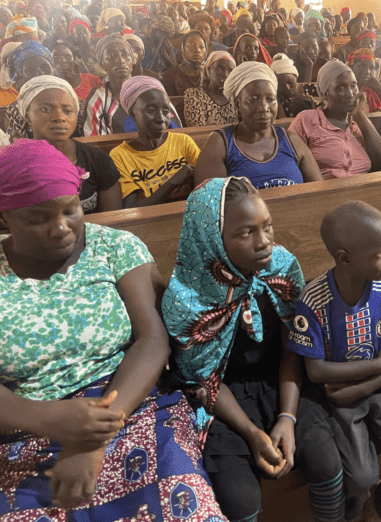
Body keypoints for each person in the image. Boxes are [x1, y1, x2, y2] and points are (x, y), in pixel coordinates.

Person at [0, 139, 228, 521]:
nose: (60, 228)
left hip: (129, 407)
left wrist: (93, 438)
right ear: (5, 217)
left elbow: (152, 340)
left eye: (70, 210)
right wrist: (51, 420)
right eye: (38, 218)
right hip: (24, 426)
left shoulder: (115, 246)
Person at [160, 176, 346, 522]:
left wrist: (287, 419)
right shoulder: (188, 299)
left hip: (282, 381)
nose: (264, 243)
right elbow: (204, 382)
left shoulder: (281, 265)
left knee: (325, 460)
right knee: (239, 498)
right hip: (221, 402)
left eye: (267, 227)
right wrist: (253, 433)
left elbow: (293, 346)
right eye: (246, 233)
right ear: (212, 238)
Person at [286, 200, 381, 522]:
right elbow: (316, 370)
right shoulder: (315, 300)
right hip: (340, 401)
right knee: (360, 478)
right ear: (345, 258)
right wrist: (376, 365)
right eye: (380, 253)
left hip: (378, 390)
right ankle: (356, 514)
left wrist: (372, 380)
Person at [195, 61, 321, 188]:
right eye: (253, 100)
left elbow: (320, 193)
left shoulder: (291, 141)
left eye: (270, 99)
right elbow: (210, 203)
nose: (264, 107)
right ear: (237, 104)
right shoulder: (220, 144)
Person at [18, 76, 122, 214]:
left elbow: (112, 221)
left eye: (67, 111)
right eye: (46, 109)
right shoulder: (14, 167)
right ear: (27, 115)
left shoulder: (98, 160)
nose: (59, 117)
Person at [289, 60, 381, 179]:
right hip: (325, 193)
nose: (350, 94)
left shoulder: (360, 122)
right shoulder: (306, 120)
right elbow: (292, 165)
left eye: (353, 86)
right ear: (325, 94)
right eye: (341, 88)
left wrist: (359, 115)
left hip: (363, 191)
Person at [109, 77, 198, 207]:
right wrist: (174, 181)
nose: (161, 119)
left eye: (165, 111)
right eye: (151, 111)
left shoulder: (183, 142)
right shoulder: (121, 156)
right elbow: (132, 207)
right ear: (133, 114)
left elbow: (207, 183)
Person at [83, 35, 182, 136]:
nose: (120, 60)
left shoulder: (151, 89)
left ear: (133, 60)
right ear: (102, 64)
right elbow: (97, 142)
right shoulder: (98, 98)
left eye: (125, 55)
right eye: (111, 56)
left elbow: (177, 131)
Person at [4, 41, 54, 141]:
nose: (39, 72)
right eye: (30, 70)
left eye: (44, 66)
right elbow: (19, 147)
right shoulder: (16, 110)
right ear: (21, 74)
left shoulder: (72, 101)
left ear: (53, 67)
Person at [184, 50, 237, 126]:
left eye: (230, 70)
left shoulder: (235, 97)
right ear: (208, 70)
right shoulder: (195, 96)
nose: (226, 74)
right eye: (220, 68)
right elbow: (198, 131)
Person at [270, 52, 316, 118]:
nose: (287, 88)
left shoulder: (310, 89)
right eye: (281, 86)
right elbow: (283, 120)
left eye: (290, 82)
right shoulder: (279, 97)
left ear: (296, 77)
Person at [162, 30, 207, 96]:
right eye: (190, 45)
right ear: (182, 48)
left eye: (201, 47)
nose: (197, 50)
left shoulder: (211, 74)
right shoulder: (171, 75)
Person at [347, 48, 381, 113]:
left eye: (371, 68)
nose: (367, 72)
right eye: (362, 66)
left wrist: (380, 90)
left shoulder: (374, 92)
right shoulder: (345, 91)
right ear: (351, 68)